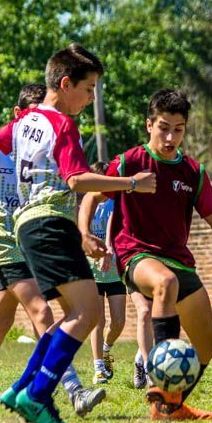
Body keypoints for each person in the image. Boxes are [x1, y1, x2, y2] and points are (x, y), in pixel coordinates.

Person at [0, 43, 155, 423]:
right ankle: (38, 395)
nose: (90, 98)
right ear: (65, 84)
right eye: (88, 89)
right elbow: (77, 180)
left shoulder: (24, 122)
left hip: (27, 226)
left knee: (67, 314)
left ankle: (21, 388)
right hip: (48, 223)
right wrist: (131, 183)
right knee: (87, 313)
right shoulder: (62, 125)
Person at [79, 89, 212, 421]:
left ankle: (169, 406)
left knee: (209, 342)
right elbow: (91, 197)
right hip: (135, 254)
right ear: (149, 125)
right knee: (165, 283)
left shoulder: (193, 172)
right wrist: (84, 233)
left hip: (178, 259)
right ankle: (160, 383)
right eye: (164, 128)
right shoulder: (130, 162)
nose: (171, 137)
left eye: (178, 129)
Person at [0, 84, 105, 420]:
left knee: (0, 320)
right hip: (3, 238)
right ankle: (73, 389)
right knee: (42, 312)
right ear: (19, 115)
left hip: (31, 236)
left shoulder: (46, 142)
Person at [83, 163, 128, 385]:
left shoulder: (116, 202)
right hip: (92, 269)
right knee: (97, 321)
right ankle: (99, 367)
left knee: (119, 321)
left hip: (114, 269)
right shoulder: (85, 204)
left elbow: (116, 230)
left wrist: (109, 251)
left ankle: (106, 348)